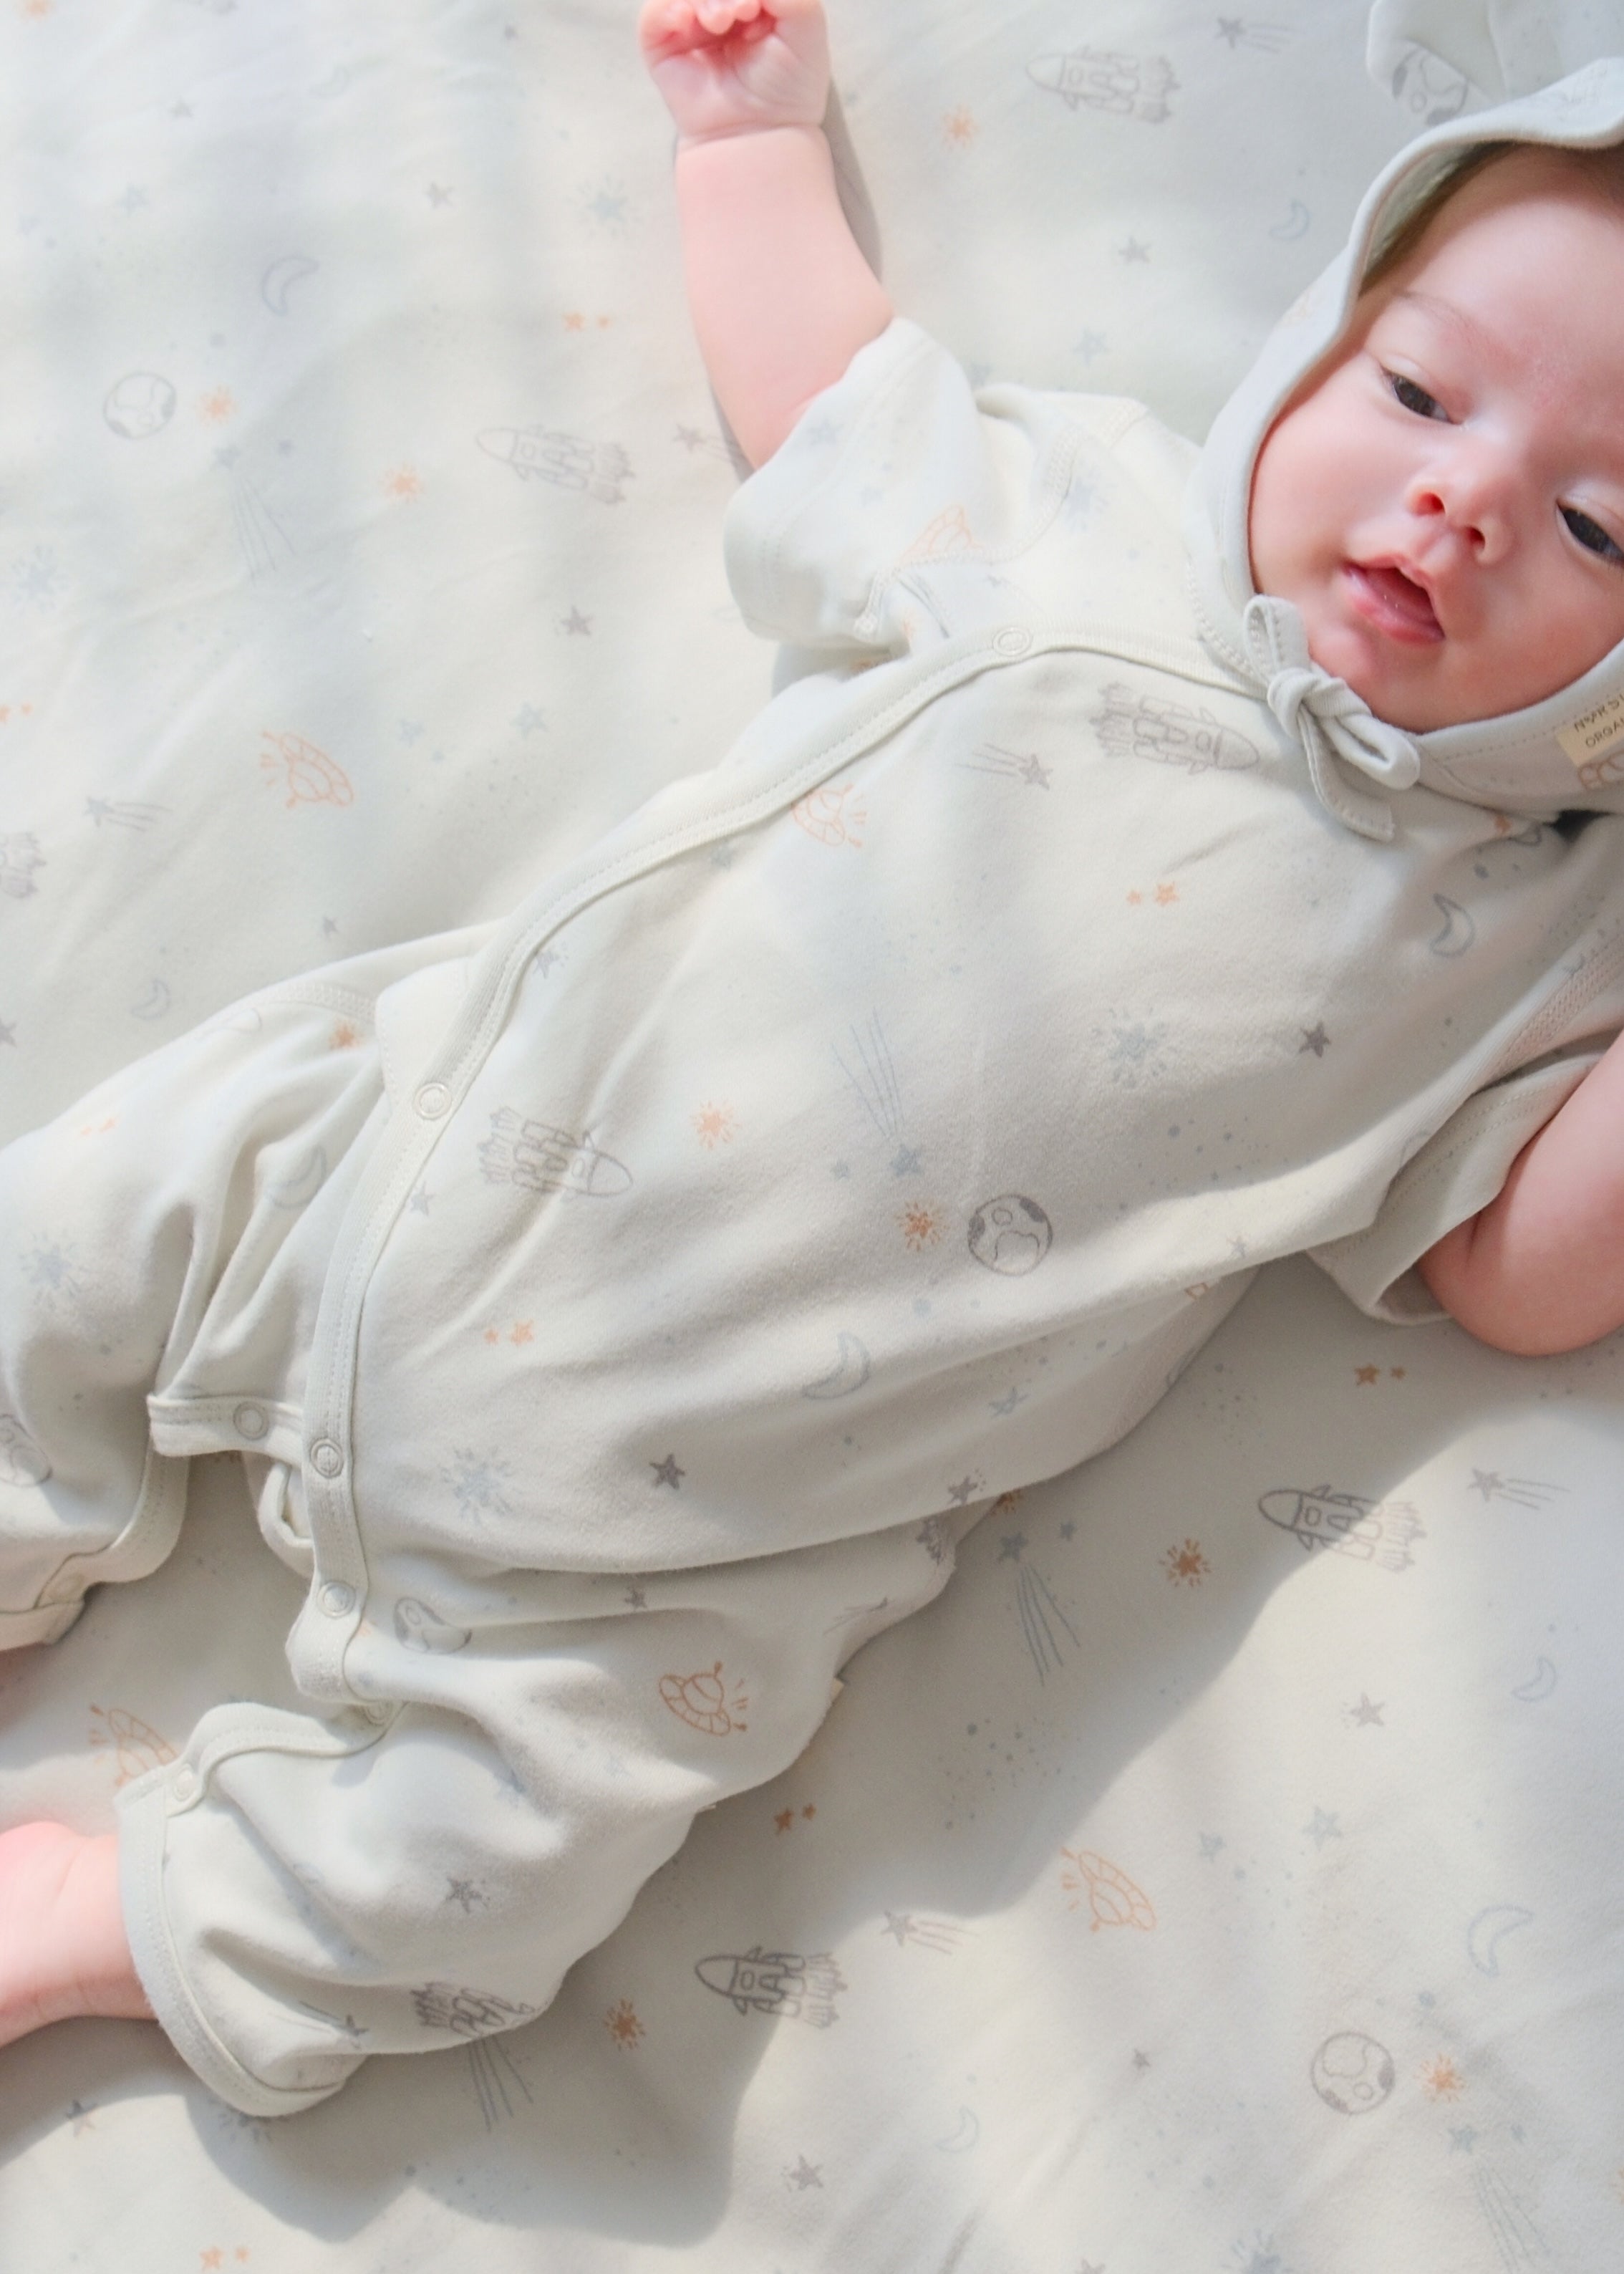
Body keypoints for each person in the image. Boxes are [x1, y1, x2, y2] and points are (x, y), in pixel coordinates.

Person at [4, 3, 1624, 2114]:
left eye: (1601, 529)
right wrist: (744, 145)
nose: (1456, 500)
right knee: (73, 1224)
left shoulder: (1512, 939)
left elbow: (1525, 1280)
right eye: (1411, 387)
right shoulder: (1076, 530)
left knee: (471, 1882)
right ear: (1315, 345)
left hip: (693, 1519)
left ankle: (100, 1921)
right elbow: (833, 400)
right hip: (386, 1157)